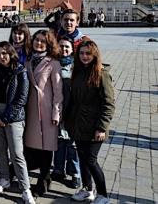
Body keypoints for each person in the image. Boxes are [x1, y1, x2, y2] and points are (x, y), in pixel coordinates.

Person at [65, 40, 115, 204]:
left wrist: (102, 127)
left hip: (95, 126)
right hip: (78, 124)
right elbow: (73, 99)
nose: (84, 56)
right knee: (82, 157)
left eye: (88, 53)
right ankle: (87, 189)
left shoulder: (102, 74)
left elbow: (109, 104)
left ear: (94, 55)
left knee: (91, 160)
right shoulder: (78, 72)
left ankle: (103, 195)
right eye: (81, 53)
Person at [0, 41, 35, 204]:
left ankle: (25, 189)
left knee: (17, 154)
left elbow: (21, 98)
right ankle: (4, 178)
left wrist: (5, 118)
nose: (1, 57)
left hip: (13, 116)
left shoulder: (20, 71)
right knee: (0, 150)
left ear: (11, 54)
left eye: (4, 53)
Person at [24, 30, 63, 198]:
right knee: (30, 146)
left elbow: (58, 91)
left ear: (49, 44)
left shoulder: (53, 63)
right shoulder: (28, 60)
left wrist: (56, 112)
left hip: (46, 111)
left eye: (43, 41)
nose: (38, 43)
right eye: (36, 40)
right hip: (29, 109)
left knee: (46, 147)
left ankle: (44, 180)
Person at [52, 38, 81, 189]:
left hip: (73, 110)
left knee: (73, 145)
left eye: (67, 47)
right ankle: (58, 169)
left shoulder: (77, 66)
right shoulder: (53, 63)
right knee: (58, 141)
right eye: (61, 46)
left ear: (72, 49)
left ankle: (76, 173)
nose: (64, 49)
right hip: (58, 108)